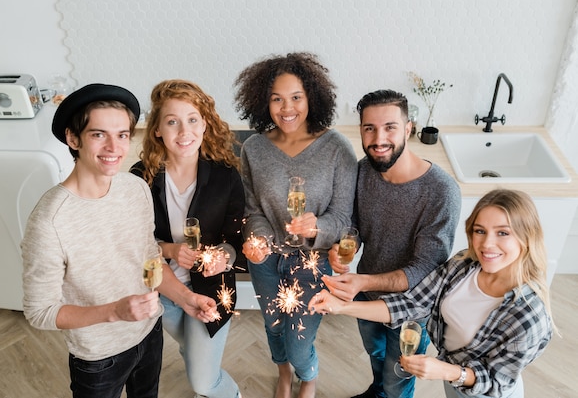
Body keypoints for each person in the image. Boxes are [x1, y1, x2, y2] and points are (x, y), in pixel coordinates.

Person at [21, 83, 217, 398]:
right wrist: (114, 312)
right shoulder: (49, 221)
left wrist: (185, 298)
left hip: (150, 333)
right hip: (99, 356)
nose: (114, 147)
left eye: (122, 135)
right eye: (99, 134)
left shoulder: (135, 188)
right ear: (73, 138)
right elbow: (40, 311)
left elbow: (149, 260)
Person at [309, 188, 556, 398]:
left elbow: (497, 381)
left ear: (526, 237)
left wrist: (447, 371)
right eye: (480, 231)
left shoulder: (529, 315)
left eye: (503, 232)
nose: (487, 244)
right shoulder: (462, 266)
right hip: (453, 383)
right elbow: (410, 304)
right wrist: (340, 306)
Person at [234, 52, 358, 398]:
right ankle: (284, 373)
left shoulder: (336, 149)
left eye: (296, 98)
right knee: (274, 327)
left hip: (313, 261)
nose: (286, 108)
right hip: (267, 261)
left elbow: (344, 218)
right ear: (264, 102)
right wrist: (256, 237)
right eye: (277, 99)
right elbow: (252, 206)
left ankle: (309, 374)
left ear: (312, 98)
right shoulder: (255, 148)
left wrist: (317, 227)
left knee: (299, 340)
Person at [326, 89, 461, 398]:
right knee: (376, 357)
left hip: (410, 309)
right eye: (369, 128)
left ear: (408, 128)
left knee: (397, 377)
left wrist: (364, 280)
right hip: (366, 296)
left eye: (389, 127)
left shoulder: (441, 192)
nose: (378, 138)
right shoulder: (362, 171)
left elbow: (424, 267)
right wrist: (343, 248)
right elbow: (354, 226)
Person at [130, 79, 244, 398]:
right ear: (157, 130)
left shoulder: (226, 176)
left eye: (192, 120)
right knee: (192, 351)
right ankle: (198, 360)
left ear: (204, 124)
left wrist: (226, 256)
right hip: (163, 291)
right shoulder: (140, 178)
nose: (184, 132)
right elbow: (133, 245)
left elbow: (236, 240)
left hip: (211, 291)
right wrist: (168, 248)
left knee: (203, 382)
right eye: (172, 122)